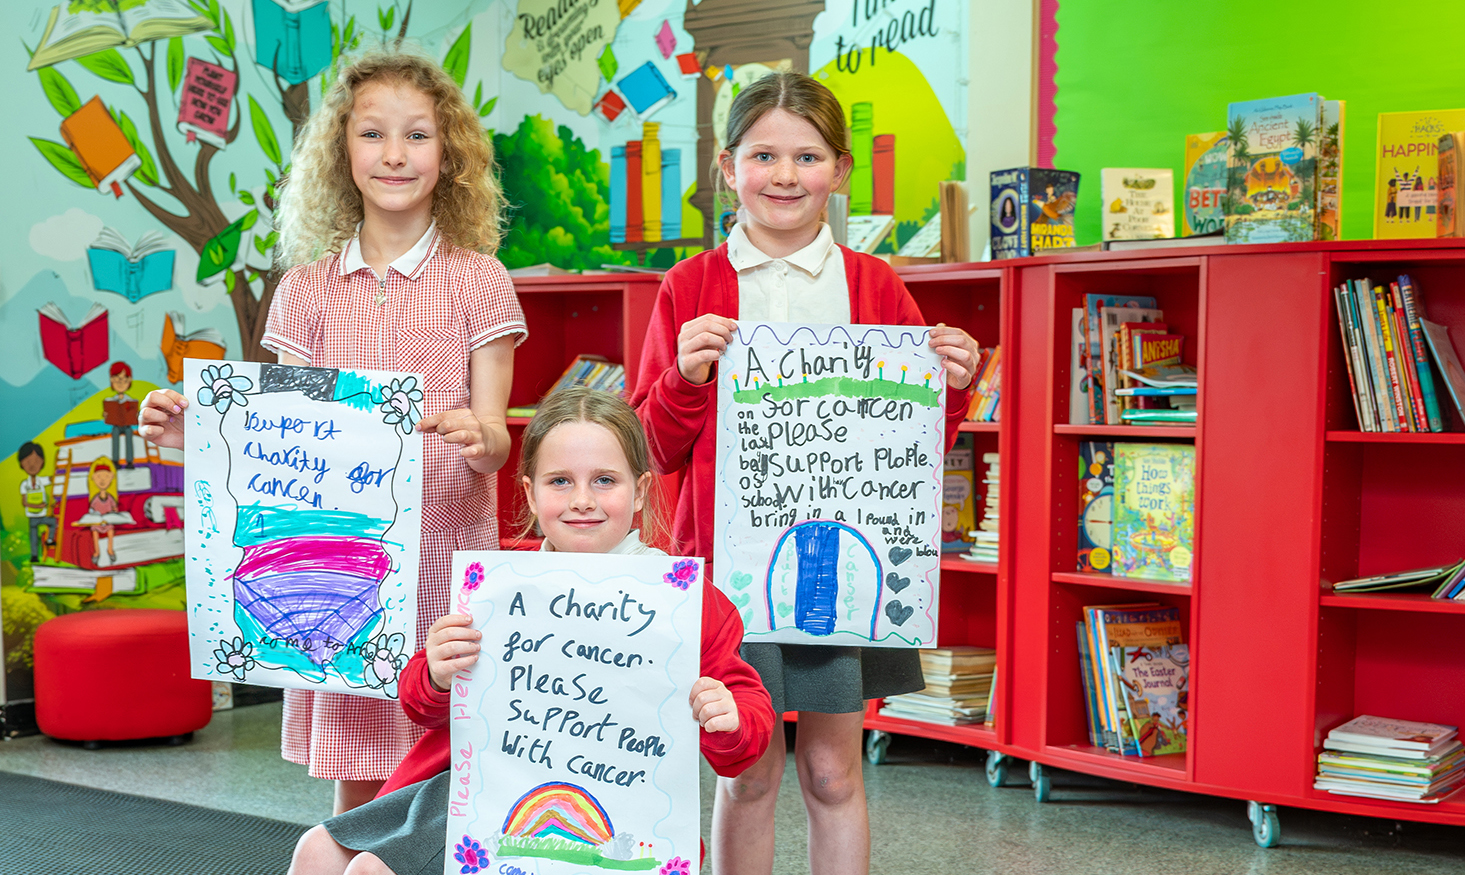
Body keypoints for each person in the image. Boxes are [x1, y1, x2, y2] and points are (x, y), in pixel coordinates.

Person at [137, 48, 525, 814]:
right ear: (342, 152)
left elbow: (497, 434)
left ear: (448, 155)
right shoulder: (304, 292)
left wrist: (482, 438)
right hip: (341, 573)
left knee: (451, 770)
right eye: (372, 134)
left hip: (447, 561)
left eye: (417, 135)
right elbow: (274, 441)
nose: (394, 154)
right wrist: (189, 434)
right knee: (362, 776)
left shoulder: (480, 279)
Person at [627, 71, 980, 875]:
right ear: (727, 166)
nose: (785, 175)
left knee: (830, 769)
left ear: (839, 170)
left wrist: (950, 389)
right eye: (764, 155)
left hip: (846, 570)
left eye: (807, 156)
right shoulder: (689, 288)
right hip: (730, 575)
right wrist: (685, 376)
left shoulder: (876, 286)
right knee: (746, 771)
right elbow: (650, 448)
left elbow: (909, 446)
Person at [286, 387, 775, 875]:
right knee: (315, 850)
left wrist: (727, 717)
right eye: (560, 481)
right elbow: (422, 703)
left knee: (371, 871)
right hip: (477, 788)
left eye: (605, 480)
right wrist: (435, 673)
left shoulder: (685, 600)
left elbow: (745, 737)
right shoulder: (498, 586)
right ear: (529, 492)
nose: (583, 500)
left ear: (642, 491)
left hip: (617, 811)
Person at [16, 442, 55, 562]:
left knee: (53, 522)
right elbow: (24, 503)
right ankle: (34, 556)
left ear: (42, 462)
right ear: (22, 464)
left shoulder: (41, 481)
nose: (32, 465)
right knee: (33, 537)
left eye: (36, 461)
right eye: (27, 462)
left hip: (42, 515)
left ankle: (49, 541)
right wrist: (37, 505)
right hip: (33, 516)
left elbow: (51, 479)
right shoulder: (24, 484)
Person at [103, 362, 139, 468]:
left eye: (124, 379)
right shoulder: (111, 400)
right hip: (116, 425)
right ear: (112, 380)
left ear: (129, 381)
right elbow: (108, 413)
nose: (121, 382)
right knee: (115, 437)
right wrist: (106, 415)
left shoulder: (130, 400)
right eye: (117, 379)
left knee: (129, 437)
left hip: (127, 425)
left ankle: (129, 461)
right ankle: (115, 460)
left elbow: (133, 413)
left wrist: (135, 415)